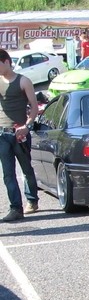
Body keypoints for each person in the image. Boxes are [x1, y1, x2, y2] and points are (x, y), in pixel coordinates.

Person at [0, 48, 39, 222]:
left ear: (6, 62)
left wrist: (26, 125)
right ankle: (15, 208)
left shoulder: (24, 81)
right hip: (2, 134)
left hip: (20, 134)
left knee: (26, 169)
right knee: (8, 173)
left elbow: (34, 107)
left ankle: (32, 200)